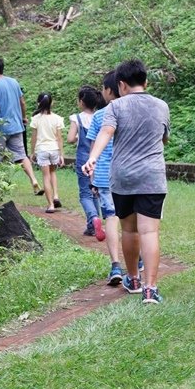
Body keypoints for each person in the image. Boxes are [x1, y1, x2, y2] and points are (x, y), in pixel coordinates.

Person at [84, 59, 170, 303]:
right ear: (146, 81)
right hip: (152, 176)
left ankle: (132, 279)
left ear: (121, 85)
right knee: (150, 231)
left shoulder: (115, 107)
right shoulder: (161, 106)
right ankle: (150, 289)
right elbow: (163, 139)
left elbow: (106, 132)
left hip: (123, 177)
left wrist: (92, 158)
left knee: (129, 230)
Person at [86, 71, 126, 283]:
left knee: (111, 217)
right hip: (126, 173)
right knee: (130, 217)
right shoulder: (130, 112)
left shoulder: (99, 116)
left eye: (103, 88)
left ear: (110, 90)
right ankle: (137, 260)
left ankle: (116, 266)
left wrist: (92, 177)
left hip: (103, 176)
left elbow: (93, 150)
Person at [0, 57, 42, 194]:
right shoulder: (14, 82)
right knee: (22, 155)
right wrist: (24, 117)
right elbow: (22, 102)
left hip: (0, 129)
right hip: (17, 126)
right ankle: (33, 179)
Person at [67, 85, 103, 238]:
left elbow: (70, 139)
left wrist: (77, 137)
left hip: (83, 158)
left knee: (84, 194)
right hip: (98, 158)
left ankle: (93, 218)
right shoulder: (99, 116)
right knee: (95, 191)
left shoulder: (77, 118)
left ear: (81, 101)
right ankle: (93, 225)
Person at [29, 92, 65, 213]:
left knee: (46, 176)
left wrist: (32, 153)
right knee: (53, 173)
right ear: (52, 103)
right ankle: (56, 196)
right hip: (54, 149)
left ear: (38, 103)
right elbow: (59, 138)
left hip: (42, 150)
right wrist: (61, 154)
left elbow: (33, 138)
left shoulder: (36, 119)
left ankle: (50, 205)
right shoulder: (57, 118)